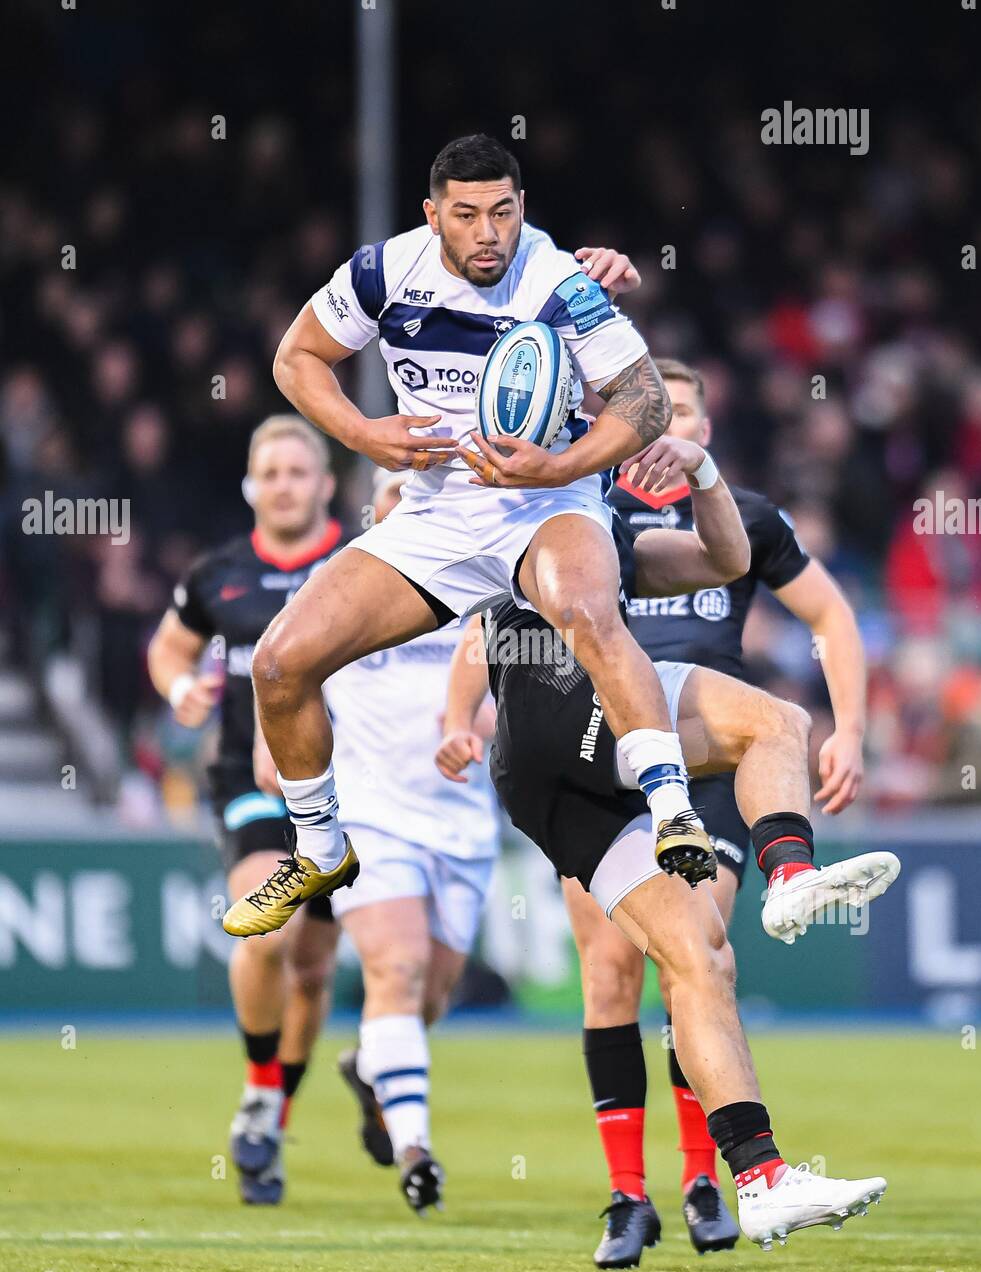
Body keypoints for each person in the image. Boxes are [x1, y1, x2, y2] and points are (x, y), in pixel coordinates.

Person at [221, 133, 715, 941]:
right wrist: (363, 433)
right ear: (433, 216)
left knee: (586, 612)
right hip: (434, 512)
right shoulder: (383, 272)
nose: (488, 232)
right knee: (279, 664)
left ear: (521, 209)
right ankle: (318, 847)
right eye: (467, 214)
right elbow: (297, 356)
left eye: (503, 212)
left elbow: (644, 400)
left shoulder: (558, 281)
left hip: (542, 503)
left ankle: (672, 811)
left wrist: (562, 469)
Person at [436, 439, 898, 1266]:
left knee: (700, 960)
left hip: (551, 779)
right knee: (779, 723)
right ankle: (787, 875)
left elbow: (725, 557)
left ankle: (754, 1180)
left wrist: (706, 472)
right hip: (582, 716)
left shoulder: (602, 525)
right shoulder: (531, 507)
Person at [562, 357, 874, 1260]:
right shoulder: (585, 516)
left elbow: (833, 618)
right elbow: (492, 628)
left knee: (697, 955)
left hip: (707, 752)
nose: (670, 428)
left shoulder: (742, 520)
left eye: (686, 414)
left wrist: (847, 727)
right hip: (597, 747)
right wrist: (460, 716)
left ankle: (706, 1174)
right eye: (657, 414)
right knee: (609, 975)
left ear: (703, 429)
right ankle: (628, 1195)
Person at [147, 415, 343, 1204]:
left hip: (351, 787)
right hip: (250, 784)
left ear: (326, 484)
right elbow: (170, 646)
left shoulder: (360, 565)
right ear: (250, 486)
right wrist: (179, 687)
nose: (284, 484)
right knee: (268, 924)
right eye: (271, 472)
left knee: (315, 970)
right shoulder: (216, 574)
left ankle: (269, 1112)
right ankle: (261, 1091)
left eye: (298, 471)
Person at [325, 472, 500, 1214]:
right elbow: (284, 670)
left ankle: (373, 1068)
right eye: (395, 492)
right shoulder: (338, 587)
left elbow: (526, 685)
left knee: (428, 996)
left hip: (462, 823)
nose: (409, 504)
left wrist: (489, 722)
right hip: (369, 814)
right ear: (375, 506)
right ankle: (415, 1153)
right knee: (395, 969)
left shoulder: (490, 585)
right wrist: (277, 746)